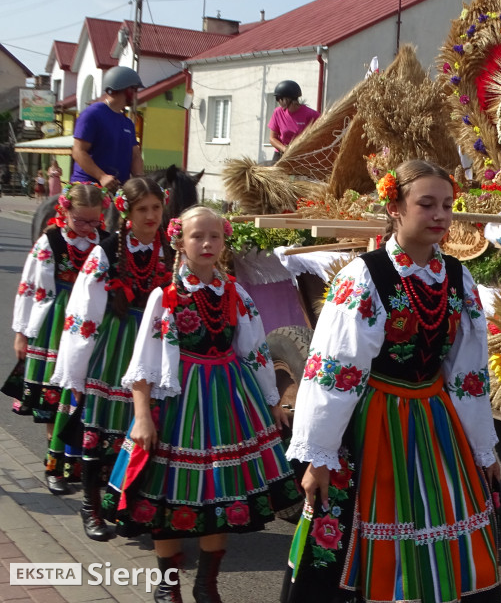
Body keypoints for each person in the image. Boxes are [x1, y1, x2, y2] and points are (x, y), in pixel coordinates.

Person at [282, 160, 501, 603]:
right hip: (374, 423)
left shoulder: (458, 277)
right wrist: (319, 456)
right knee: (359, 529)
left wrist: (483, 447)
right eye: (426, 204)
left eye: (446, 204)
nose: (440, 215)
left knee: (440, 521)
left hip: (437, 422)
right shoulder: (366, 276)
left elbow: (468, 373)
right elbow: (333, 373)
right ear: (395, 206)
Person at [105, 205, 299, 603]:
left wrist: (272, 399)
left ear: (224, 241)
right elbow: (142, 365)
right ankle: (168, 583)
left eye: (215, 236)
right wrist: (142, 417)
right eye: (198, 236)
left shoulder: (235, 293)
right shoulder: (167, 297)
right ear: (180, 241)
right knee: (166, 491)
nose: (207, 243)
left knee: (220, 494)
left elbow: (256, 352)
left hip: (229, 399)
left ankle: (207, 584)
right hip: (177, 402)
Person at [50, 178, 173, 541]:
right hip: (114, 349)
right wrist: (74, 375)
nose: (151, 216)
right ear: (126, 214)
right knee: (99, 429)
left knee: (141, 432)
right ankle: (90, 507)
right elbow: (82, 315)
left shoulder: (170, 250)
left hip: (151, 346)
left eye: (156, 208)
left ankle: (123, 504)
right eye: (142, 210)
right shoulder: (105, 252)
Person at [3, 183, 108, 495]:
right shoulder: (49, 241)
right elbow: (28, 287)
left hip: (90, 324)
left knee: (85, 397)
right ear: (65, 211)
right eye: (82, 221)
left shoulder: (102, 243)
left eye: (95, 221)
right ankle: (54, 466)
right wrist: (22, 333)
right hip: (54, 325)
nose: (89, 228)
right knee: (55, 398)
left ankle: (78, 461)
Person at [71, 66, 145, 192]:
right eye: (134, 89)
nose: (136, 95)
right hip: (87, 188)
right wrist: (102, 176)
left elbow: (135, 156)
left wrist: (141, 181)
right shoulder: (92, 114)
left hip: (117, 189)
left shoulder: (127, 123)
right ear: (126, 89)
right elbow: (78, 151)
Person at [267, 80, 319, 162]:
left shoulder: (311, 114)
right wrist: (285, 149)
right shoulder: (277, 112)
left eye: (278, 98)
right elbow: (272, 138)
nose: (277, 101)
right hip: (281, 153)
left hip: (302, 155)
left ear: (288, 99)